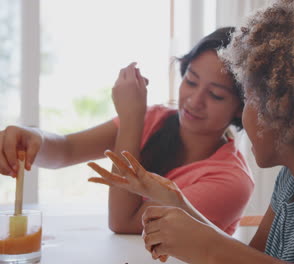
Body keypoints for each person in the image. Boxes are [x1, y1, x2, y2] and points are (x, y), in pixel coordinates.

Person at [88, 0, 294, 263]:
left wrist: (211, 250)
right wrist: (178, 203)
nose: (243, 116)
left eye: (250, 98)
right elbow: (251, 259)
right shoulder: (292, 182)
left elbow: (231, 257)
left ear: (286, 112)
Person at [0, 27, 254, 236]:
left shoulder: (232, 181)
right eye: (190, 81)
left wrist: (131, 119)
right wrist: (33, 137)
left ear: (240, 108)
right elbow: (66, 150)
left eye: (215, 95)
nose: (194, 101)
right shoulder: (155, 119)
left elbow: (124, 223)